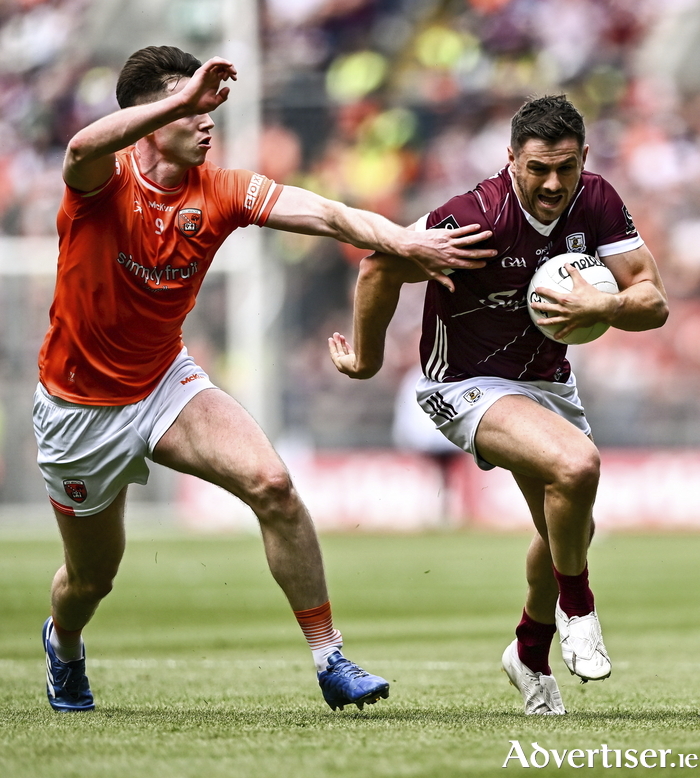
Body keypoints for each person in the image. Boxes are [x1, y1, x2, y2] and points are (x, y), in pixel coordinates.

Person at [34, 45, 497, 713]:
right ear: (151, 116)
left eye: (207, 109)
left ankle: (330, 658)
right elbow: (80, 145)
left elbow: (332, 216)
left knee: (274, 486)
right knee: (90, 580)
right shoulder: (103, 183)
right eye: (193, 110)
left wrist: (405, 241)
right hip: (81, 409)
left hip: (165, 382)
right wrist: (181, 98)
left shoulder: (221, 190)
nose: (207, 120)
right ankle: (65, 645)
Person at [329, 95, 668, 715]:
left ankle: (530, 652)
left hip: (546, 384)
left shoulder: (596, 201)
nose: (553, 183)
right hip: (463, 384)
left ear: (584, 158)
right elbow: (379, 269)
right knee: (578, 465)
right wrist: (368, 362)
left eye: (566, 167)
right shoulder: (475, 219)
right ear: (510, 159)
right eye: (538, 168)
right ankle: (579, 609)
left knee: (568, 528)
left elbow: (654, 300)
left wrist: (607, 306)